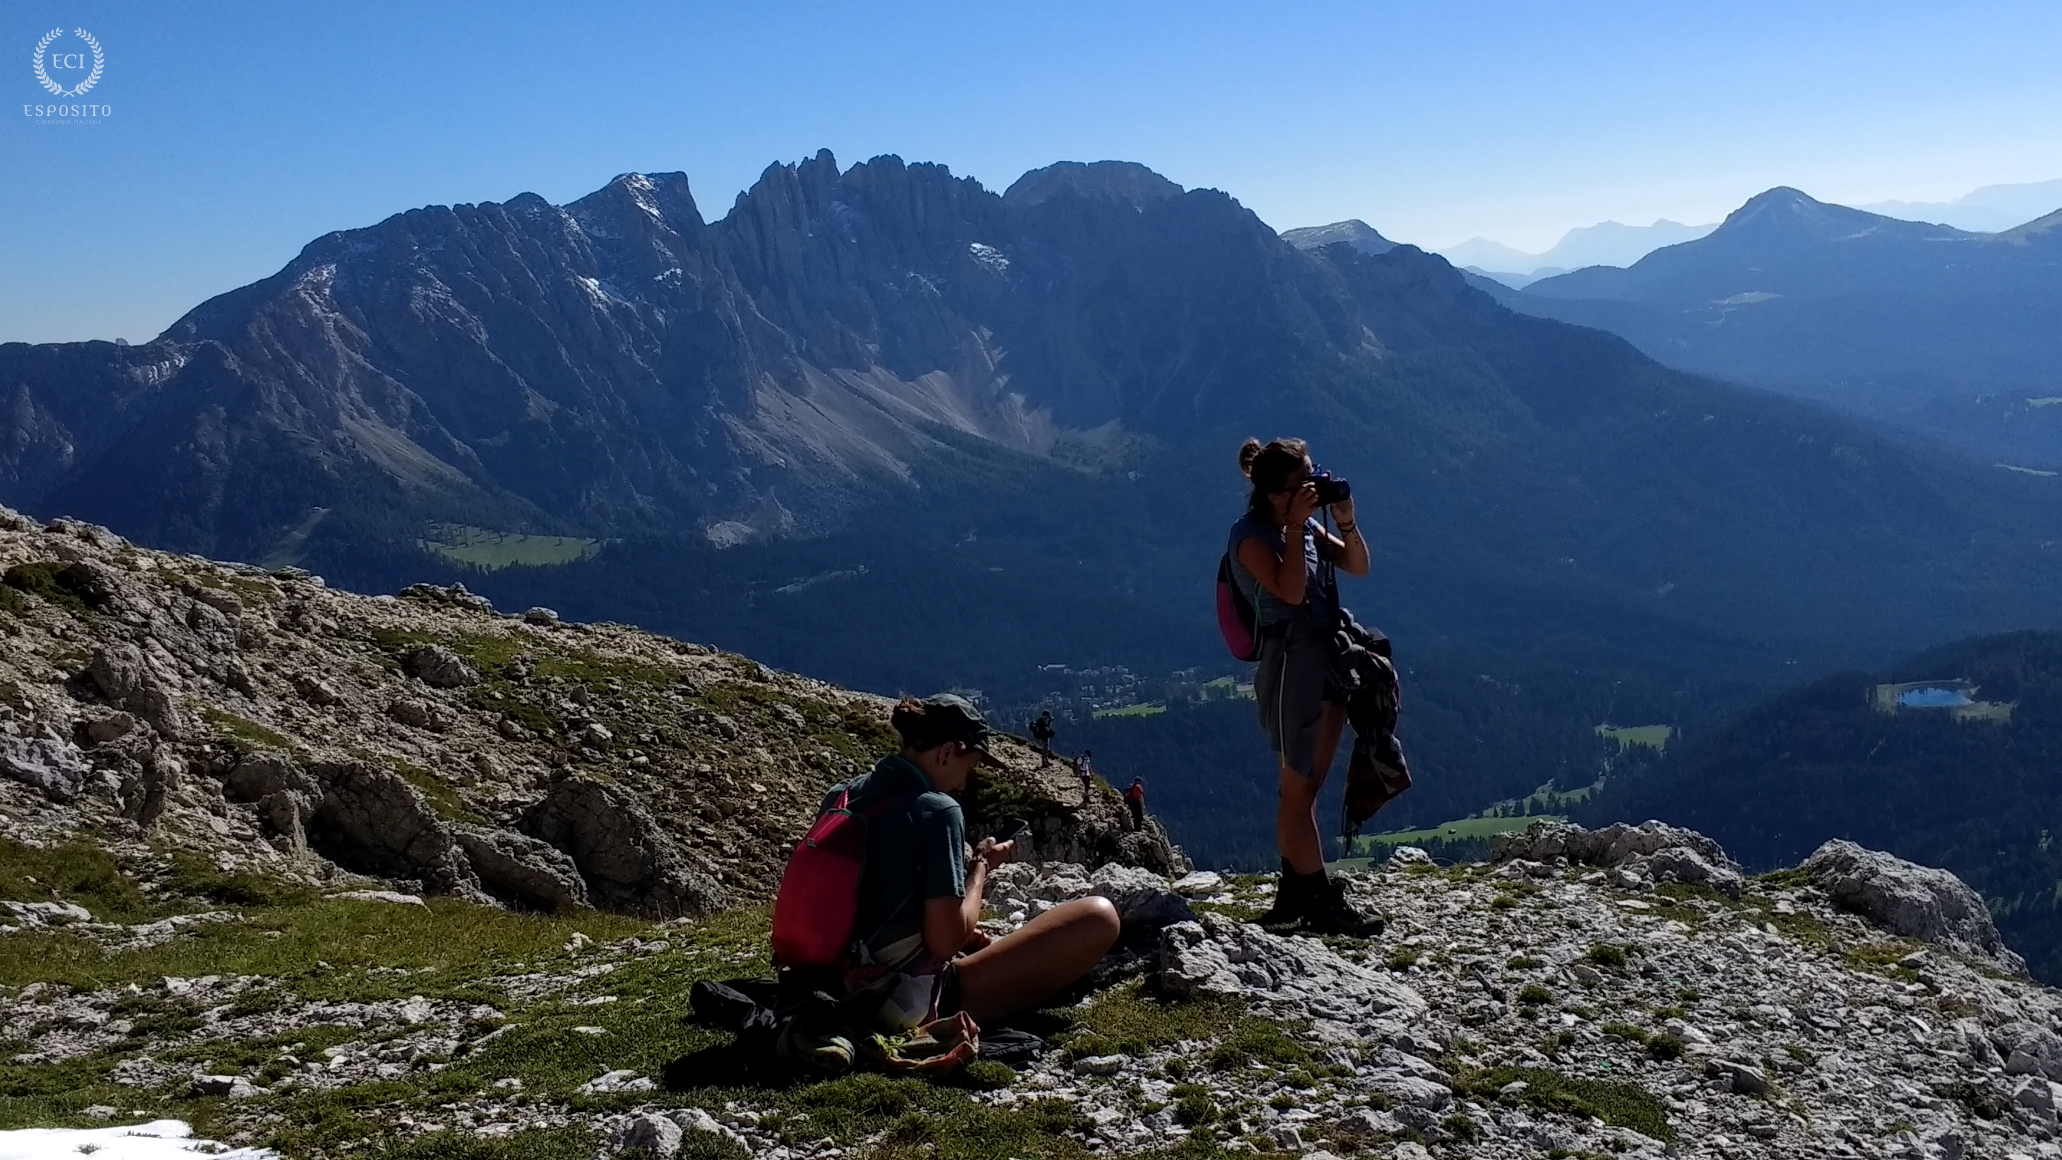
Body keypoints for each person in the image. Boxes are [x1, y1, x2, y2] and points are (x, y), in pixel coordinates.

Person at [831, 694, 1120, 1035]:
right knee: (1099, 916)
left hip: (830, 980)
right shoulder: (937, 811)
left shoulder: (845, 793)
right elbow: (946, 942)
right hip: (898, 1000)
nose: (963, 783)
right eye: (968, 766)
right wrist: (980, 868)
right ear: (947, 752)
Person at [1227, 437, 1384, 936]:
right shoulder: (1250, 537)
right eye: (1305, 483)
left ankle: (1294, 892)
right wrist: (1296, 528)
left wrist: (1345, 519)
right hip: (1291, 669)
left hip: (1327, 658)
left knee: (1308, 786)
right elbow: (1290, 591)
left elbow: (1359, 566)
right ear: (1277, 494)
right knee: (1296, 789)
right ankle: (1317, 897)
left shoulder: (1307, 525)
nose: (1315, 487)